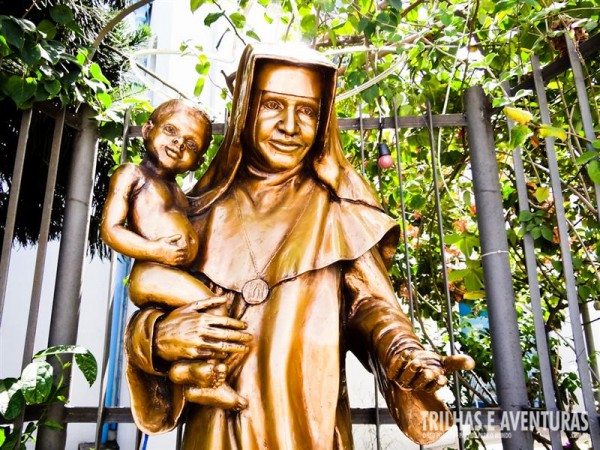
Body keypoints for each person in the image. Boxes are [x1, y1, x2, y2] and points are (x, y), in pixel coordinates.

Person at [124, 44, 474, 448]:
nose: (290, 125)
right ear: (245, 111)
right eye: (272, 104)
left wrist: (402, 352)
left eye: (307, 110)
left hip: (309, 427)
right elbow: (149, 302)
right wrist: (158, 336)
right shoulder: (198, 212)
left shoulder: (339, 206)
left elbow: (370, 305)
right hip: (216, 432)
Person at [100, 99, 248, 411]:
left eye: (190, 144)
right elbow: (111, 230)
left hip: (170, 274)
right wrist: (157, 250)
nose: (178, 144)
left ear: (196, 162)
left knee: (208, 310)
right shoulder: (133, 175)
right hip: (152, 272)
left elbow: (213, 199)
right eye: (171, 131)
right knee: (215, 307)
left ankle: (184, 371)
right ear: (147, 129)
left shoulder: (180, 193)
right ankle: (205, 384)